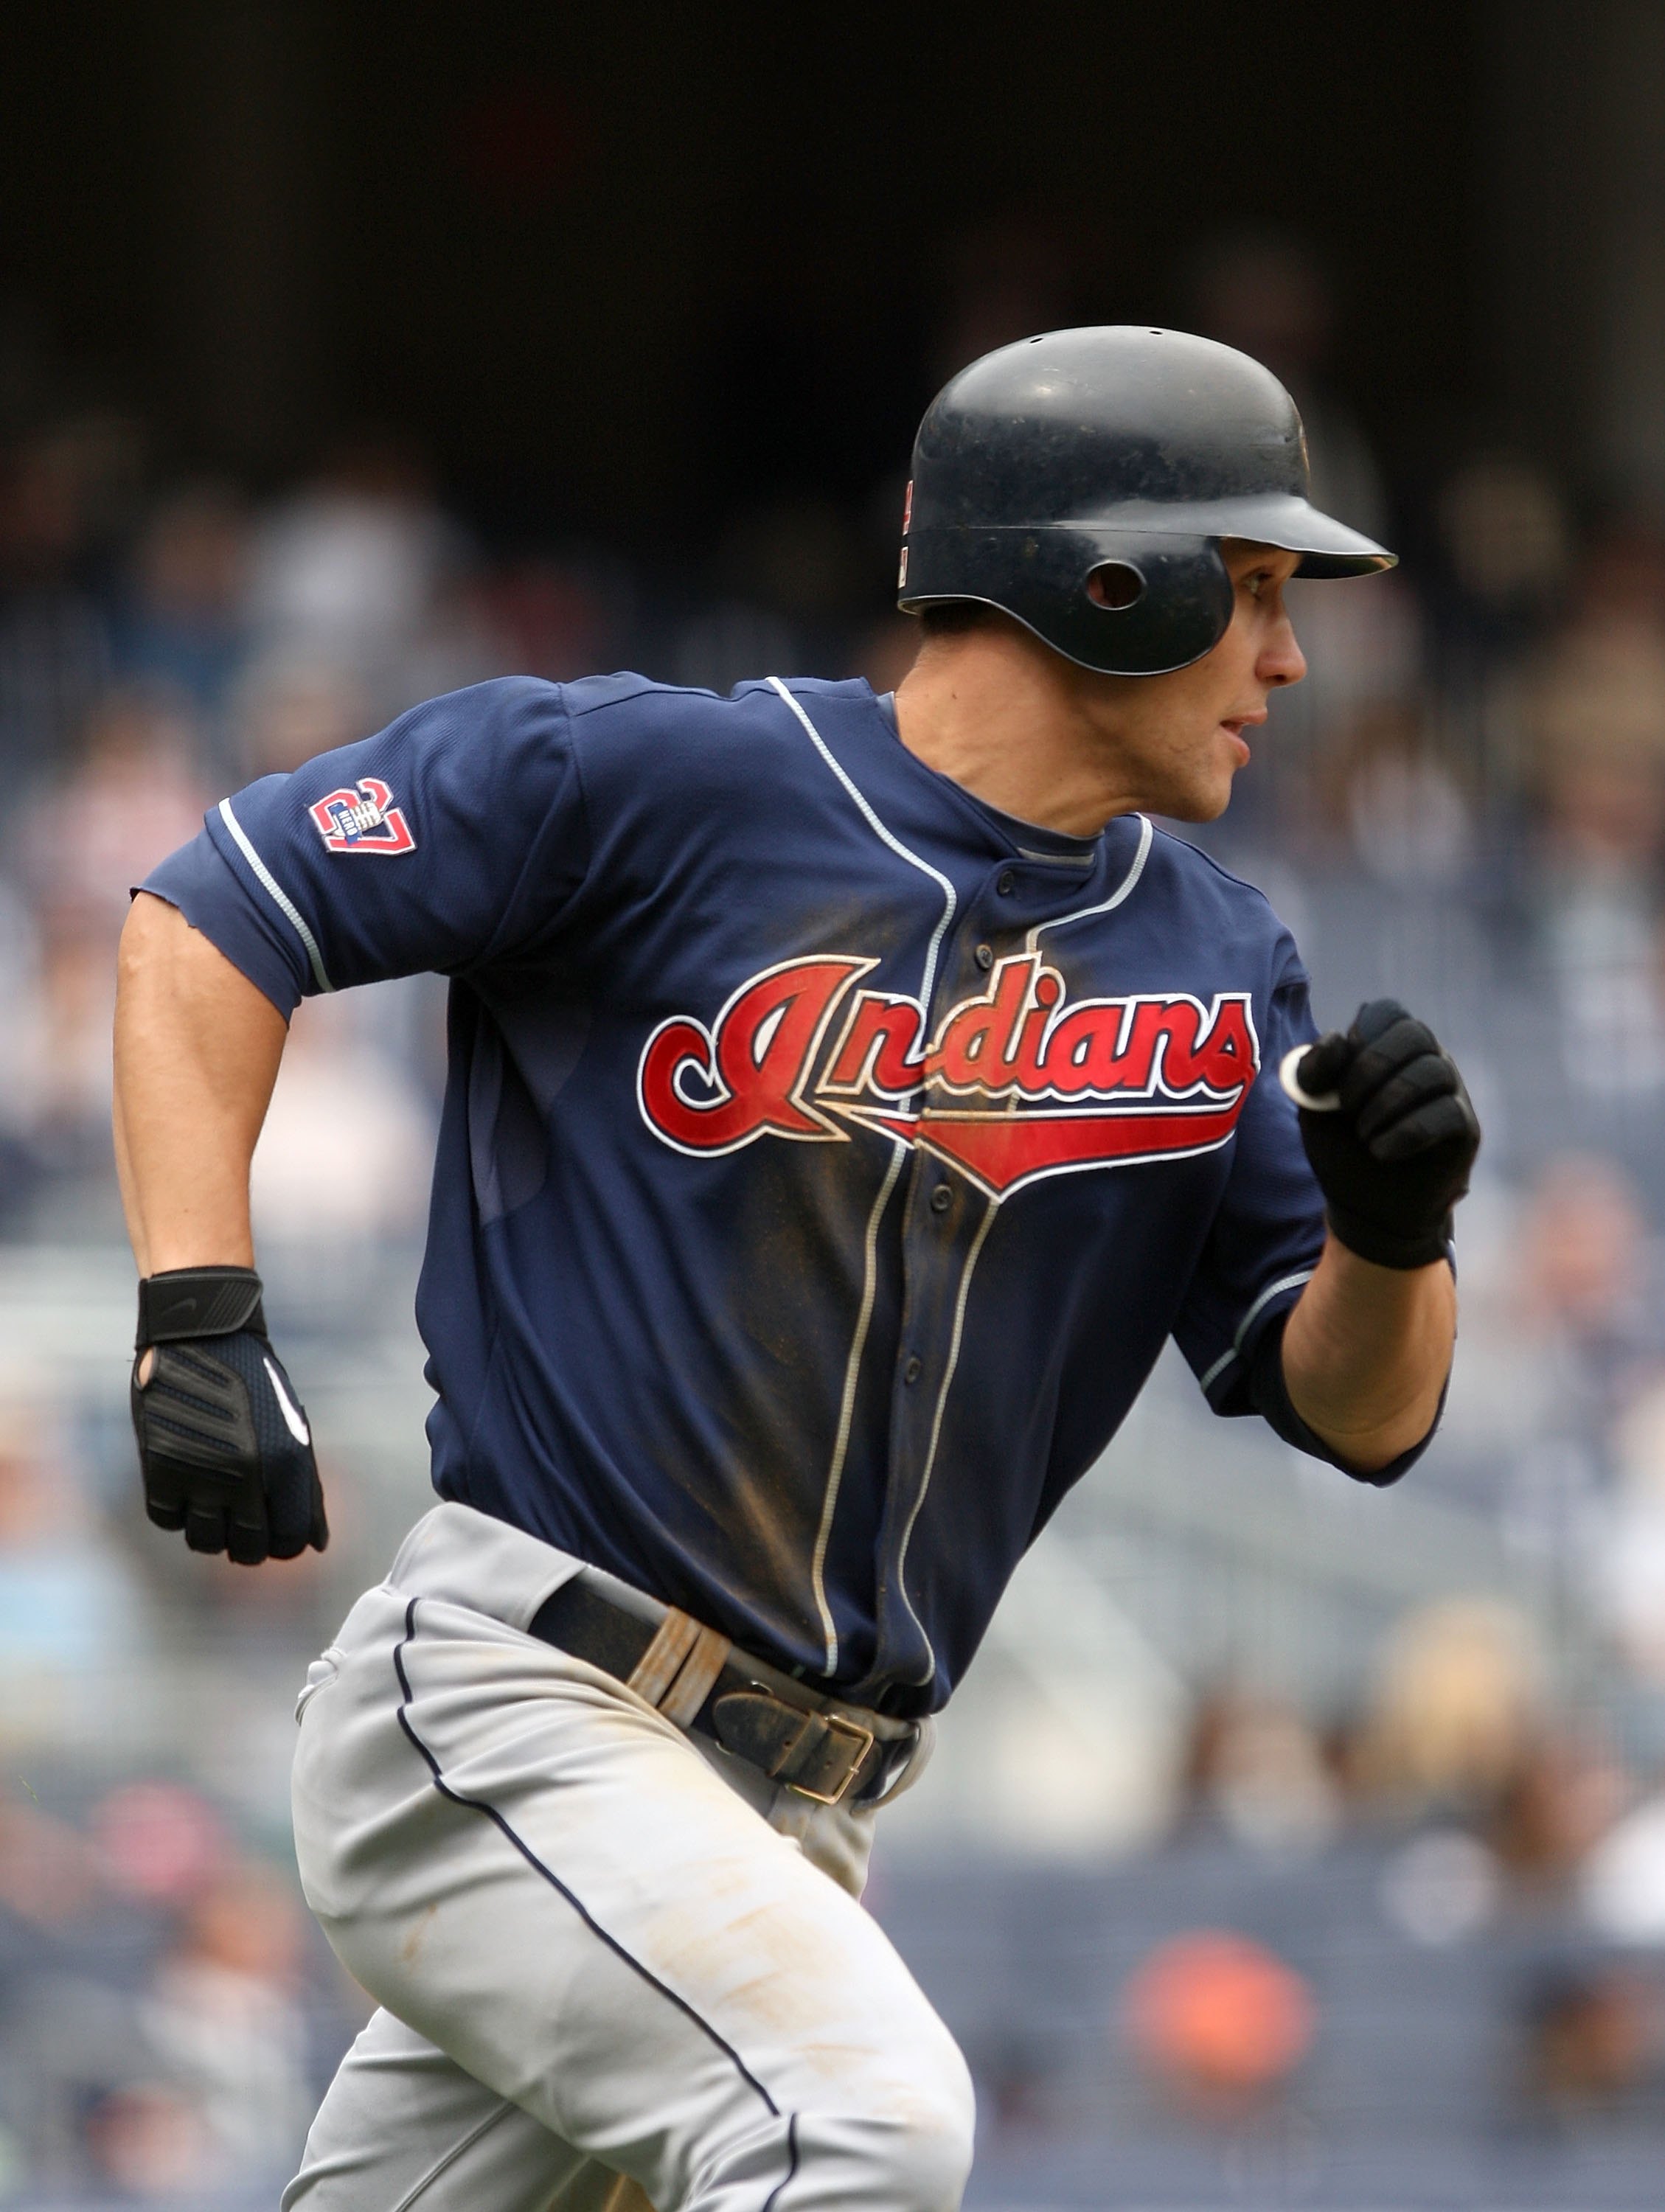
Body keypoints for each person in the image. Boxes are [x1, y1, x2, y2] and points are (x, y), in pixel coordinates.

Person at [111, 328, 1478, 2212]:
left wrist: (1391, 1235)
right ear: (1106, 580)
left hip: (786, 1820)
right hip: (524, 1703)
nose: (1287, 656)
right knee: (857, 2120)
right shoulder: (652, 781)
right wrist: (198, 1309)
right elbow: (215, 914)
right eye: (1247, 592)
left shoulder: (1215, 957)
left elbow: (1358, 1410)